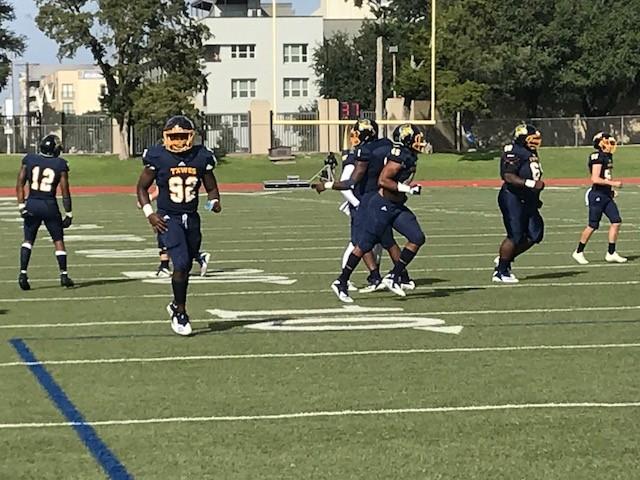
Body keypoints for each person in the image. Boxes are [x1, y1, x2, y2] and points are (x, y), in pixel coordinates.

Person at [136, 115, 221, 336]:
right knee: (181, 264)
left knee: (189, 262)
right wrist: (150, 214)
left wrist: (214, 201)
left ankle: (175, 303)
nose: (178, 141)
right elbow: (142, 188)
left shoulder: (201, 156)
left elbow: (211, 186)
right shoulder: (158, 156)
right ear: (165, 137)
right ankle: (181, 312)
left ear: (191, 136)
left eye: (182, 136)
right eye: (174, 136)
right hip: (168, 218)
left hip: (192, 218)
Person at [329, 123, 427, 302]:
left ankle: (394, 276)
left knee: (417, 237)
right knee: (364, 244)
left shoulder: (408, 155)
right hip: (381, 205)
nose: (420, 142)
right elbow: (383, 180)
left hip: (395, 206)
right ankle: (341, 281)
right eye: (417, 139)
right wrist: (408, 189)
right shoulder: (399, 155)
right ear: (407, 139)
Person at [16, 134, 74, 290]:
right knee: (58, 240)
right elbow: (65, 191)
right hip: (49, 205)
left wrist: (21, 206)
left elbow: (20, 183)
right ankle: (63, 275)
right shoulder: (60, 164)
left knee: (28, 240)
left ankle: (23, 273)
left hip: (32, 203)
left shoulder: (29, 159)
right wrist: (68, 213)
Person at [493, 124, 545, 283]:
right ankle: (501, 272)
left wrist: (535, 197)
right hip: (512, 197)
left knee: (535, 233)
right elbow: (508, 176)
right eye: (532, 139)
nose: (535, 142)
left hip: (527, 198)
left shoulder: (530, 151)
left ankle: (505, 258)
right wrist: (531, 184)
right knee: (515, 235)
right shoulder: (513, 151)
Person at [572, 132, 627, 264]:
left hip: (606, 194)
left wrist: (611, 190)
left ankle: (611, 252)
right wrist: (613, 184)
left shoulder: (608, 156)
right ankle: (578, 252)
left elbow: (606, 176)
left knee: (616, 221)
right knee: (592, 225)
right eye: (608, 141)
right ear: (600, 142)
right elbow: (595, 178)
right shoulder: (596, 156)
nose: (611, 144)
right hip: (597, 195)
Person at [141, 185, 211, 277]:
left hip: (170, 209)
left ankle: (165, 266)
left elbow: (161, 189)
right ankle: (197, 257)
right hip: (175, 207)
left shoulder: (166, 171)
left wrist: (147, 200)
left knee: (166, 237)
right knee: (171, 239)